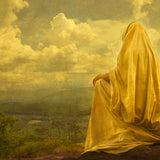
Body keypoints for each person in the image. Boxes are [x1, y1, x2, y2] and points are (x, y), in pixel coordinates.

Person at [82, 22, 160, 154]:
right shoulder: (152, 54)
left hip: (132, 108)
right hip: (151, 111)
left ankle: (108, 132)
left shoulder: (129, 49)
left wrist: (101, 76)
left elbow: (121, 75)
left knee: (101, 84)